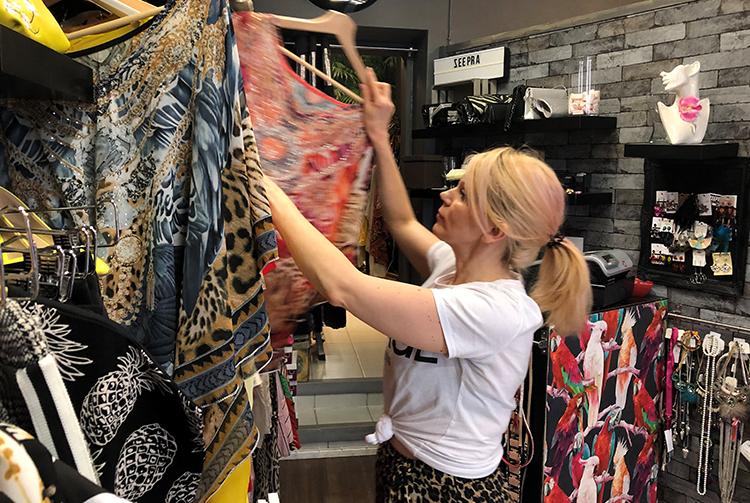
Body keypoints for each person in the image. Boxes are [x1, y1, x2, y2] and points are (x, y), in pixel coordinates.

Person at [263, 68, 592, 502]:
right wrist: (379, 135)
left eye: (463, 194)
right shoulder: (452, 268)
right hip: (405, 464)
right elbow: (400, 220)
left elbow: (343, 287)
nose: (444, 196)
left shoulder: (494, 310)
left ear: (495, 230)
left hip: (449, 488)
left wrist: (264, 186)